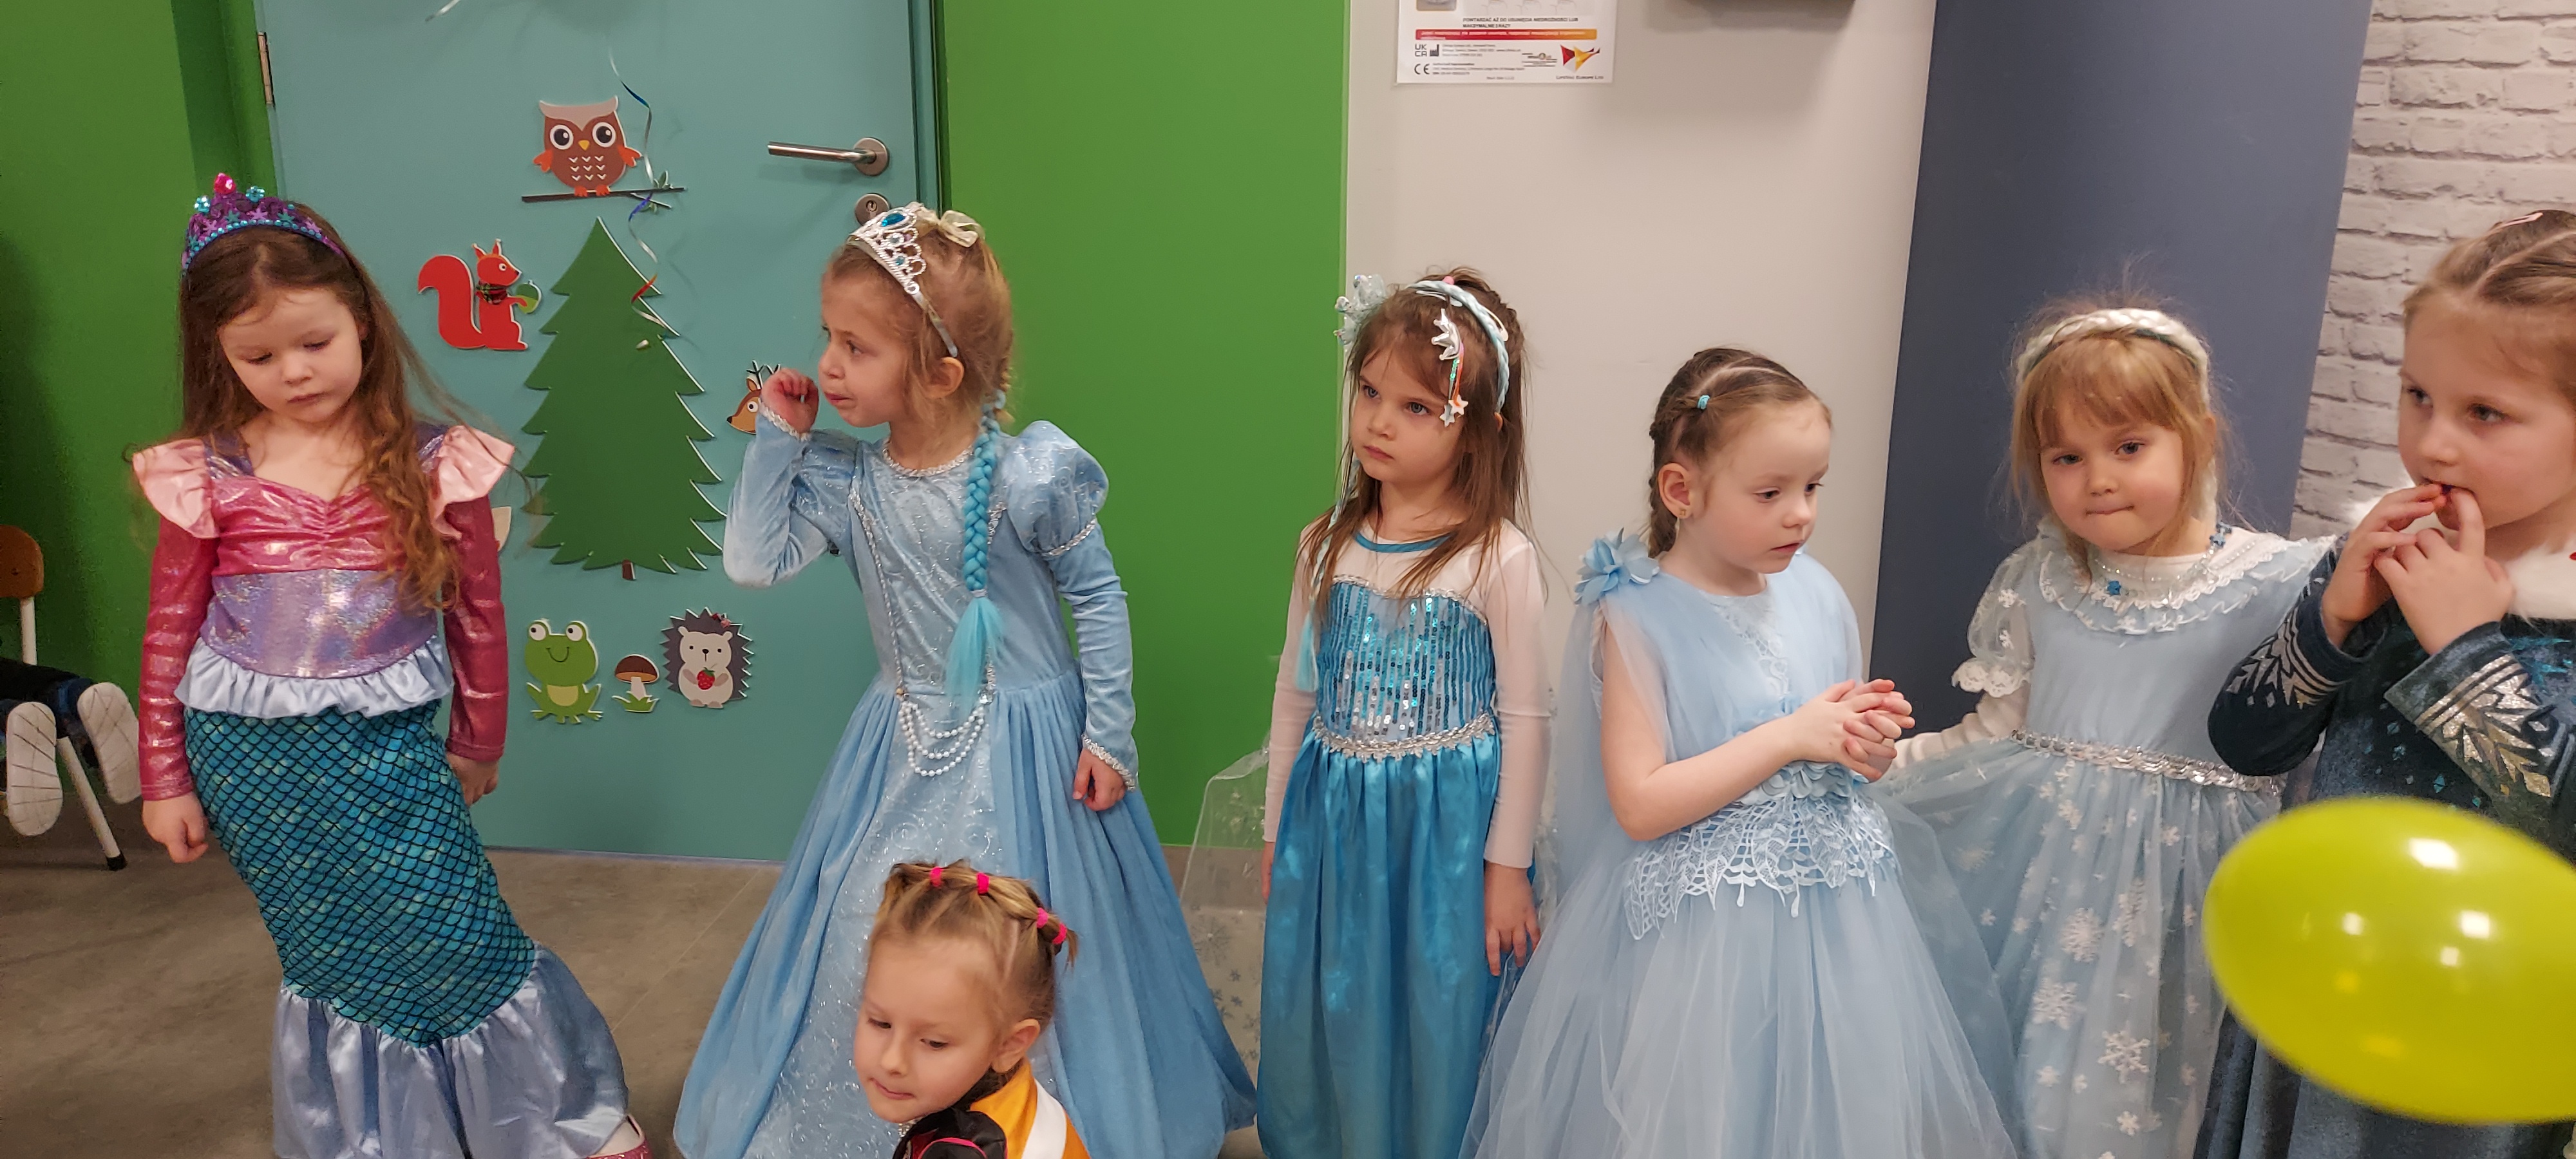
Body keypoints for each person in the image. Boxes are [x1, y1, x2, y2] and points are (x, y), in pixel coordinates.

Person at [679, 204, 1252, 1159]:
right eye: (829, 337)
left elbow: (1097, 598)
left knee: (1028, 945)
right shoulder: (850, 483)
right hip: (898, 744)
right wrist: (778, 437)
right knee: (865, 923)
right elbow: (752, 561)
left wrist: (1109, 735)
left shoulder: (1030, 478)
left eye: (856, 347)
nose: (827, 365)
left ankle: (1039, 1123)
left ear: (940, 373)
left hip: (1033, 750)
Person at [132, 174, 645, 1159]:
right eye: (258, 356)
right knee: (335, 953)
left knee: (457, 935)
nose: (293, 372)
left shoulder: (437, 461)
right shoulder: (206, 474)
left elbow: (479, 616)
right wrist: (165, 778)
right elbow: (169, 633)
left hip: (389, 756)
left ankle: (553, 1120)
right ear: (219, 355)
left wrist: (480, 738)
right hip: (251, 765)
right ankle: (385, 1136)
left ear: (361, 319)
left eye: (314, 342)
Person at [1463, 349, 2018, 1158]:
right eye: (1770, 493)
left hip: (1836, 920)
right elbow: (1640, 804)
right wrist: (1791, 735)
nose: (1800, 515)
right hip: (1705, 941)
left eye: (1812, 487)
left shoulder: (1816, 592)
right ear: (1681, 490)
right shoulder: (1638, 617)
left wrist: (1859, 743)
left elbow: (1839, 760)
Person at [1876, 303, 2328, 1158]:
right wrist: (1883, 773)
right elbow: (1994, 733)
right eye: (2067, 457)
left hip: (2186, 917)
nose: (2098, 479)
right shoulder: (2041, 580)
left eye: (2128, 447)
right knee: (2016, 1095)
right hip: (2034, 900)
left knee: (2141, 1110)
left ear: (2197, 438)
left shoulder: (2285, 582)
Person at [2197, 212, 2576, 1159]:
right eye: (2417, 396)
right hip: (2323, 969)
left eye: (2484, 413)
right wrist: (2331, 621)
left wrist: (2466, 649)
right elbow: (2246, 741)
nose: (2433, 444)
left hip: (2480, 1019)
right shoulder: (2385, 552)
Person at [1256, 270, 1548, 1159]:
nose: (1378, 422)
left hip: (1444, 833)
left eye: (1417, 407)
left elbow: (1526, 719)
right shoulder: (1323, 545)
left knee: (1437, 1001)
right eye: (1370, 393)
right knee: (1338, 992)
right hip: (1336, 818)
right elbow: (1296, 692)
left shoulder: (1497, 559)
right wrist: (1275, 827)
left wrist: (1507, 867)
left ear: (1478, 430)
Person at [862, 862, 1090, 1159]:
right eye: (880, 1023)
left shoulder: (969, 1152)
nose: (892, 1061)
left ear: (1009, 1044)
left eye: (934, 1043)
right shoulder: (1009, 1098)